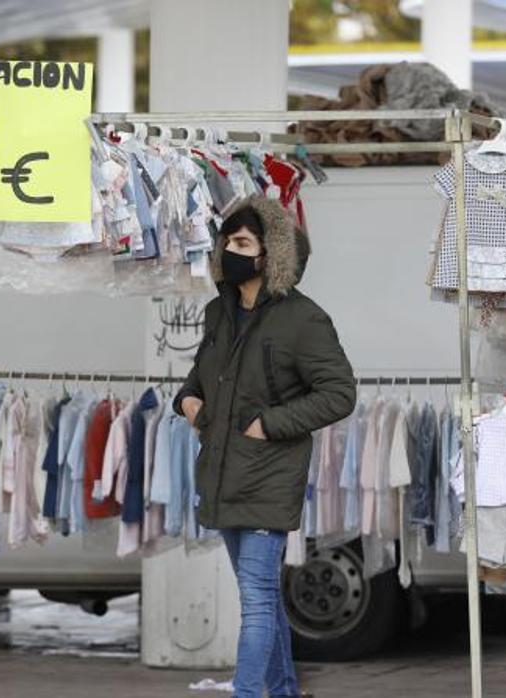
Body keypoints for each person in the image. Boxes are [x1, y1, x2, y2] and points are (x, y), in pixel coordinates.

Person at [174, 194, 356, 698]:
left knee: (255, 599)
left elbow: (339, 394)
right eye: (226, 241)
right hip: (222, 472)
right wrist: (189, 403)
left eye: (242, 242)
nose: (229, 250)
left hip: (268, 474)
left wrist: (268, 425)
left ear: (271, 254)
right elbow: (198, 378)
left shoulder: (303, 320)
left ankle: (249, 693)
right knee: (263, 598)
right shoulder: (218, 313)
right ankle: (282, 691)